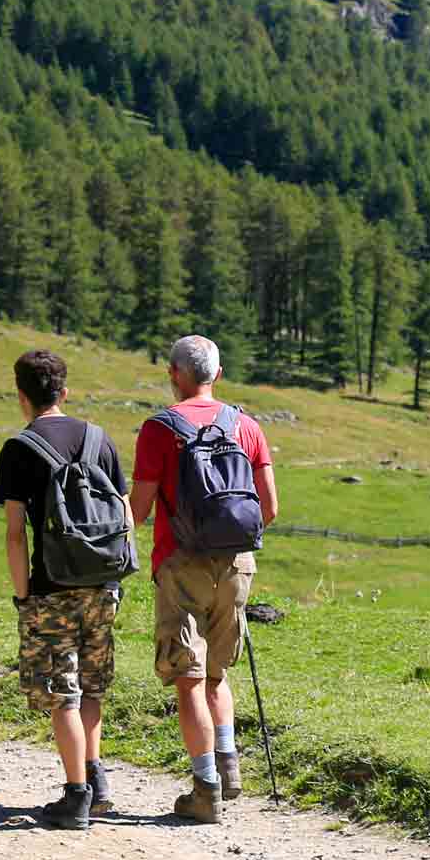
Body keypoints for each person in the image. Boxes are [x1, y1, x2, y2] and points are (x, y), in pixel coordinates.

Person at [131, 334, 278, 824]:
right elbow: (270, 509)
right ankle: (229, 765)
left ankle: (205, 790)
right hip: (237, 564)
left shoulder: (159, 429)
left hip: (181, 564)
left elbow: (141, 509)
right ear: (218, 374)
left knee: (188, 678)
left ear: (174, 373)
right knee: (217, 674)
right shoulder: (248, 426)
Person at [0, 350, 126, 830]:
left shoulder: (19, 448)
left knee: (62, 693)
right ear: (64, 392)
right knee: (92, 686)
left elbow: (14, 533)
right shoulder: (99, 439)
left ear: (22, 396)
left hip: (50, 588)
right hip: (103, 584)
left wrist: (24, 594)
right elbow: (124, 515)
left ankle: (75, 799)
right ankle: (96, 777)